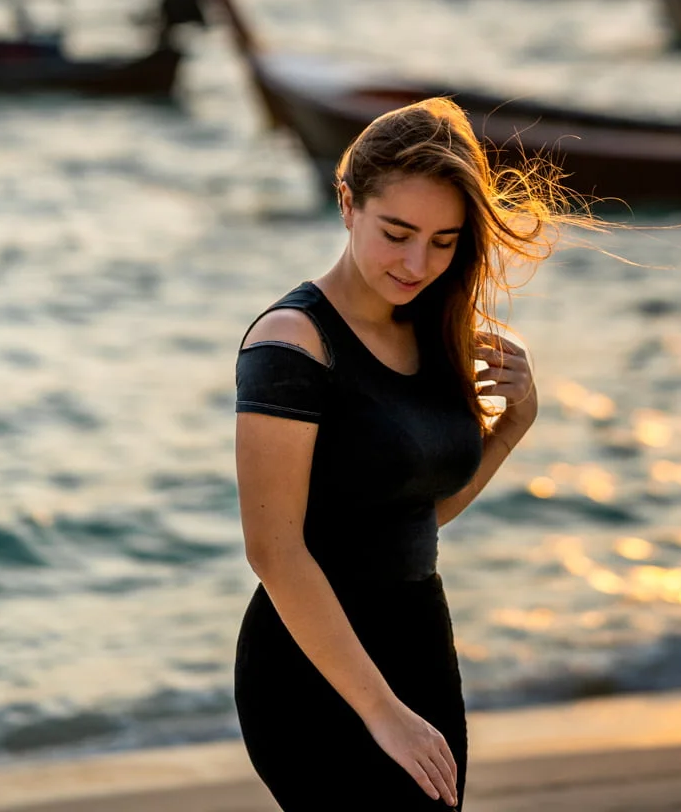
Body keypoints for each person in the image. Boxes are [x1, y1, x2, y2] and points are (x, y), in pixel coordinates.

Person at [233, 97, 559, 809]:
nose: (418, 262)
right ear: (347, 202)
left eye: (443, 241)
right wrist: (380, 711)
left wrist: (512, 425)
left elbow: (411, 522)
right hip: (314, 665)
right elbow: (275, 551)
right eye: (397, 232)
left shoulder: (431, 328)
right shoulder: (290, 345)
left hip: (418, 640)